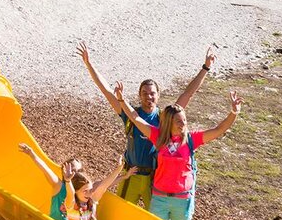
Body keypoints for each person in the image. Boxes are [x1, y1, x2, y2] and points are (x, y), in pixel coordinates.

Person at [77, 41, 215, 210]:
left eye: (152, 93)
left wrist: (205, 68)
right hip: (131, 174)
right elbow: (105, 90)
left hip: (154, 177)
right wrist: (89, 64)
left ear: (158, 95)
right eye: (145, 93)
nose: (149, 97)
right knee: (121, 212)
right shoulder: (130, 114)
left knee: (156, 217)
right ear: (139, 95)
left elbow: (188, 93)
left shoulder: (165, 117)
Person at [115, 83, 243, 220]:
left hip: (182, 201)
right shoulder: (159, 137)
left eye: (184, 120)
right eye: (179, 121)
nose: (183, 124)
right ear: (169, 123)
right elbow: (136, 119)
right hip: (159, 199)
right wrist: (122, 101)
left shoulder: (191, 140)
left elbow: (218, 130)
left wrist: (233, 112)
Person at [18, 144, 141, 220]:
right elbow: (51, 174)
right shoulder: (65, 192)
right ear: (65, 170)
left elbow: (103, 186)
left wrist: (121, 173)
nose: (75, 173)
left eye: (78, 170)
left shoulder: (88, 194)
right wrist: (31, 153)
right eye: (72, 170)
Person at [63, 154, 146, 220]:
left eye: (90, 190)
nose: (89, 193)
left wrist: (118, 169)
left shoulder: (91, 201)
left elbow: (104, 185)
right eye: (85, 191)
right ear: (76, 191)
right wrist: (68, 181)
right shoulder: (72, 206)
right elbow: (70, 194)